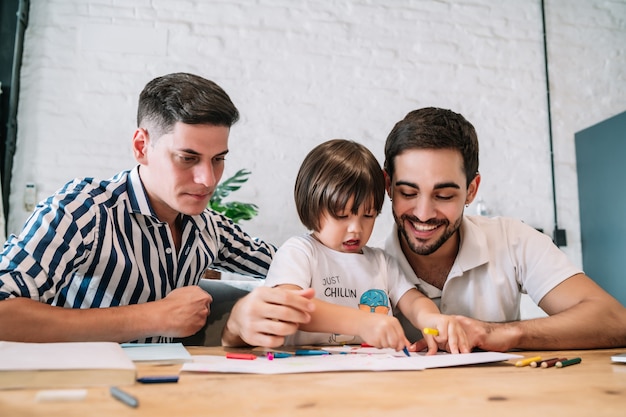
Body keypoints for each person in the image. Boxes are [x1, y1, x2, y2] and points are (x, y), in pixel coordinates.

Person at [0, 72, 305, 343]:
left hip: (167, 390)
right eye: (187, 158)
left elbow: (296, 264)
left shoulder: (209, 227)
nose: (207, 180)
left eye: (218, 159)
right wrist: (155, 317)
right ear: (141, 147)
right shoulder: (83, 211)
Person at [382, 106, 626, 351]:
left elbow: (616, 321)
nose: (423, 214)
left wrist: (501, 333)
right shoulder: (368, 263)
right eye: (408, 193)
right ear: (388, 186)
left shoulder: (513, 239)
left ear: (471, 191)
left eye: (444, 195)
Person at [263, 139, 469, 354]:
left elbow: (414, 300)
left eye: (368, 215)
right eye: (342, 216)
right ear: (311, 208)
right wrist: (362, 322)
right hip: (310, 372)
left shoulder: (381, 262)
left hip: (374, 372)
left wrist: (431, 318)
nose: (355, 229)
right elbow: (288, 307)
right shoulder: (300, 252)